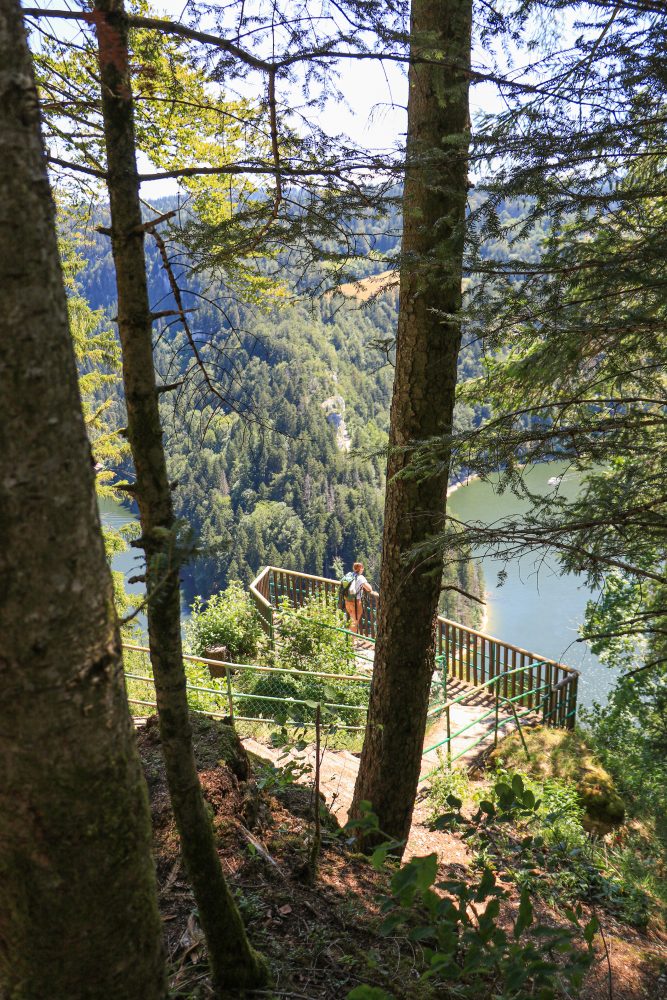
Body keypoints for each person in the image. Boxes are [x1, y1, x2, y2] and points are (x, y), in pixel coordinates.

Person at [341, 561, 373, 634]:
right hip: (356, 602)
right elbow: (369, 588)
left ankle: (349, 638)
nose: (363, 570)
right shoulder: (360, 577)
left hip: (347, 601)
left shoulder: (350, 575)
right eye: (362, 568)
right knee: (354, 622)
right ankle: (352, 641)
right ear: (361, 569)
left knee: (351, 620)